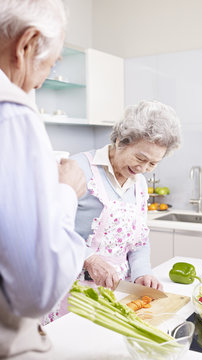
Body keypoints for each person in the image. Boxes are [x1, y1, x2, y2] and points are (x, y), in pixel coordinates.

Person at [0, 1, 87, 359]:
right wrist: (66, 192)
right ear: (26, 44)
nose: (41, 79)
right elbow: (36, 290)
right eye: (50, 64)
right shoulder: (13, 114)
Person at [72, 100, 181, 290]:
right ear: (120, 141)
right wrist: (88, 258)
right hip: (73, 290)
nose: (143, 168)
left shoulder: (139, 184)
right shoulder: (77, 168)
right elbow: (47, 229)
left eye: (153, 164)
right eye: (140, 158)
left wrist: (142, 273)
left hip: (119, 290)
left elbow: (138, 242)